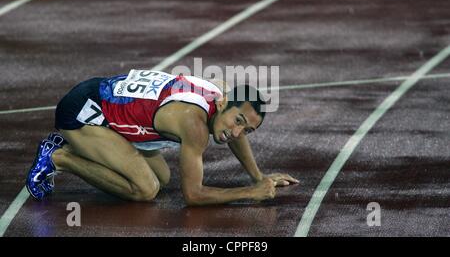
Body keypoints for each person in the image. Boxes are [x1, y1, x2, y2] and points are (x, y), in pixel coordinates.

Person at [26, 69, 298, 205]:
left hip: (109, 99)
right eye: (239, 122)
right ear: (224, 103)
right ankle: (60, 156)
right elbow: (193, 195)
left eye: (247, 130)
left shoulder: (222, 93)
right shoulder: (194, 126)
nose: (237, 133)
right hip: (85, 110)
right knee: (146, 189)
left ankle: (84, 146)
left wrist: (258, 176)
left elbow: (234, 130)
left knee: (164, 178)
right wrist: (251, 192)